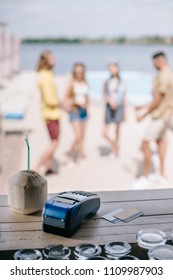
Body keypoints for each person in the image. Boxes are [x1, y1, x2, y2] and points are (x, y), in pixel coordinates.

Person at [132, 52, 173, 189]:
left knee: (144, 143)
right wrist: (143, 106)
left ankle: (146, 177)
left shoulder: (163, 75)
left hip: (160, 116)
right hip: (166, 114)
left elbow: (158, 99)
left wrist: (143, 112)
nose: (153, 65)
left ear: (158, 61)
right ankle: (161, 175)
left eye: (153, 62)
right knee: (161, 142)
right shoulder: (168, 73)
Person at [34, 51, 61, 175]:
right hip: (50, 113)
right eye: (52, 58)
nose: (54, 60)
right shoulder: (44, 76)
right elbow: (50, 99)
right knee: (55, 142)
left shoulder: (48, 74)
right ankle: (36, 167)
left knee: (53, 141)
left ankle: (48, 167)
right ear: (46, 60)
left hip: (53, 113)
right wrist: (63, 104)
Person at [64, 63, 89, 166]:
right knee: (77, 136)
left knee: (82, 137)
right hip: (75, 111)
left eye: (81, 72)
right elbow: (66, 99)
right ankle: (70, 157)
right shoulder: (71, 83)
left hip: (84, 111)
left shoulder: (85, 83)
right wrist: (76, 103)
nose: (79, 74)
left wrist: (86, 104)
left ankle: (80, 157)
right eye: (77, 72)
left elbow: (86, 97)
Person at [102, 62, 126, 157]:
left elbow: (124, 96)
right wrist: (110, 101)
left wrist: (125, 111)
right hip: (109, 106)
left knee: (117, 130)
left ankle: (114, 150)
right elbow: (104, 94)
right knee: (104, 132)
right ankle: (115, 145)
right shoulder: (107, 81)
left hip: (119, 106)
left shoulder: (122, 81)